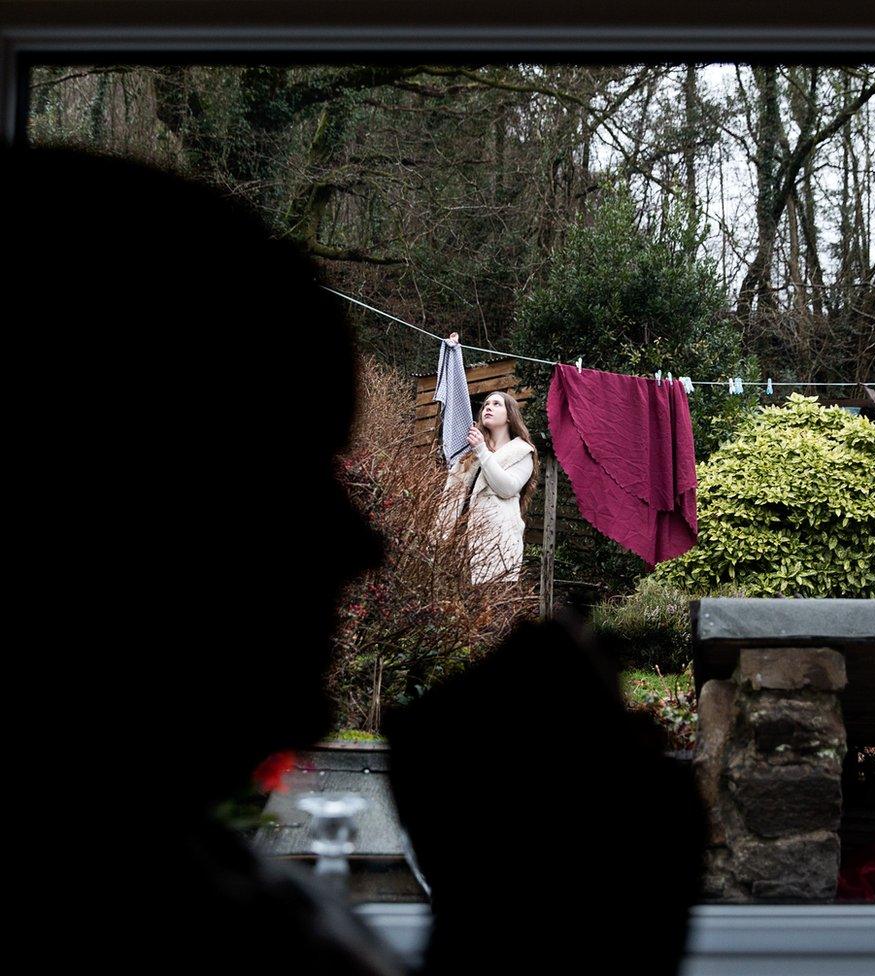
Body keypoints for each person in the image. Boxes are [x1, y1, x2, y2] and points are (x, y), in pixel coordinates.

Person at [5, 145, 703, 975]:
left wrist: (494, 903)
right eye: (296, 477)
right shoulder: (233, 920)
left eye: (491, 404)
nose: (364, 543)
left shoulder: (518, 452)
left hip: (501, 542)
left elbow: (500, 483)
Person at [437, 336, 539, 584]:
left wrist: (483, 450)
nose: (488, 408)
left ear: (509, 416)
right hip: (458, 544)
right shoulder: (469, 451)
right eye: (485, 405)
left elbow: (507, 488)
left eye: (496, 404)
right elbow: (455, 407)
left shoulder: (522, 452)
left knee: (488, 608)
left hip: (495, 547)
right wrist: (453, 352)